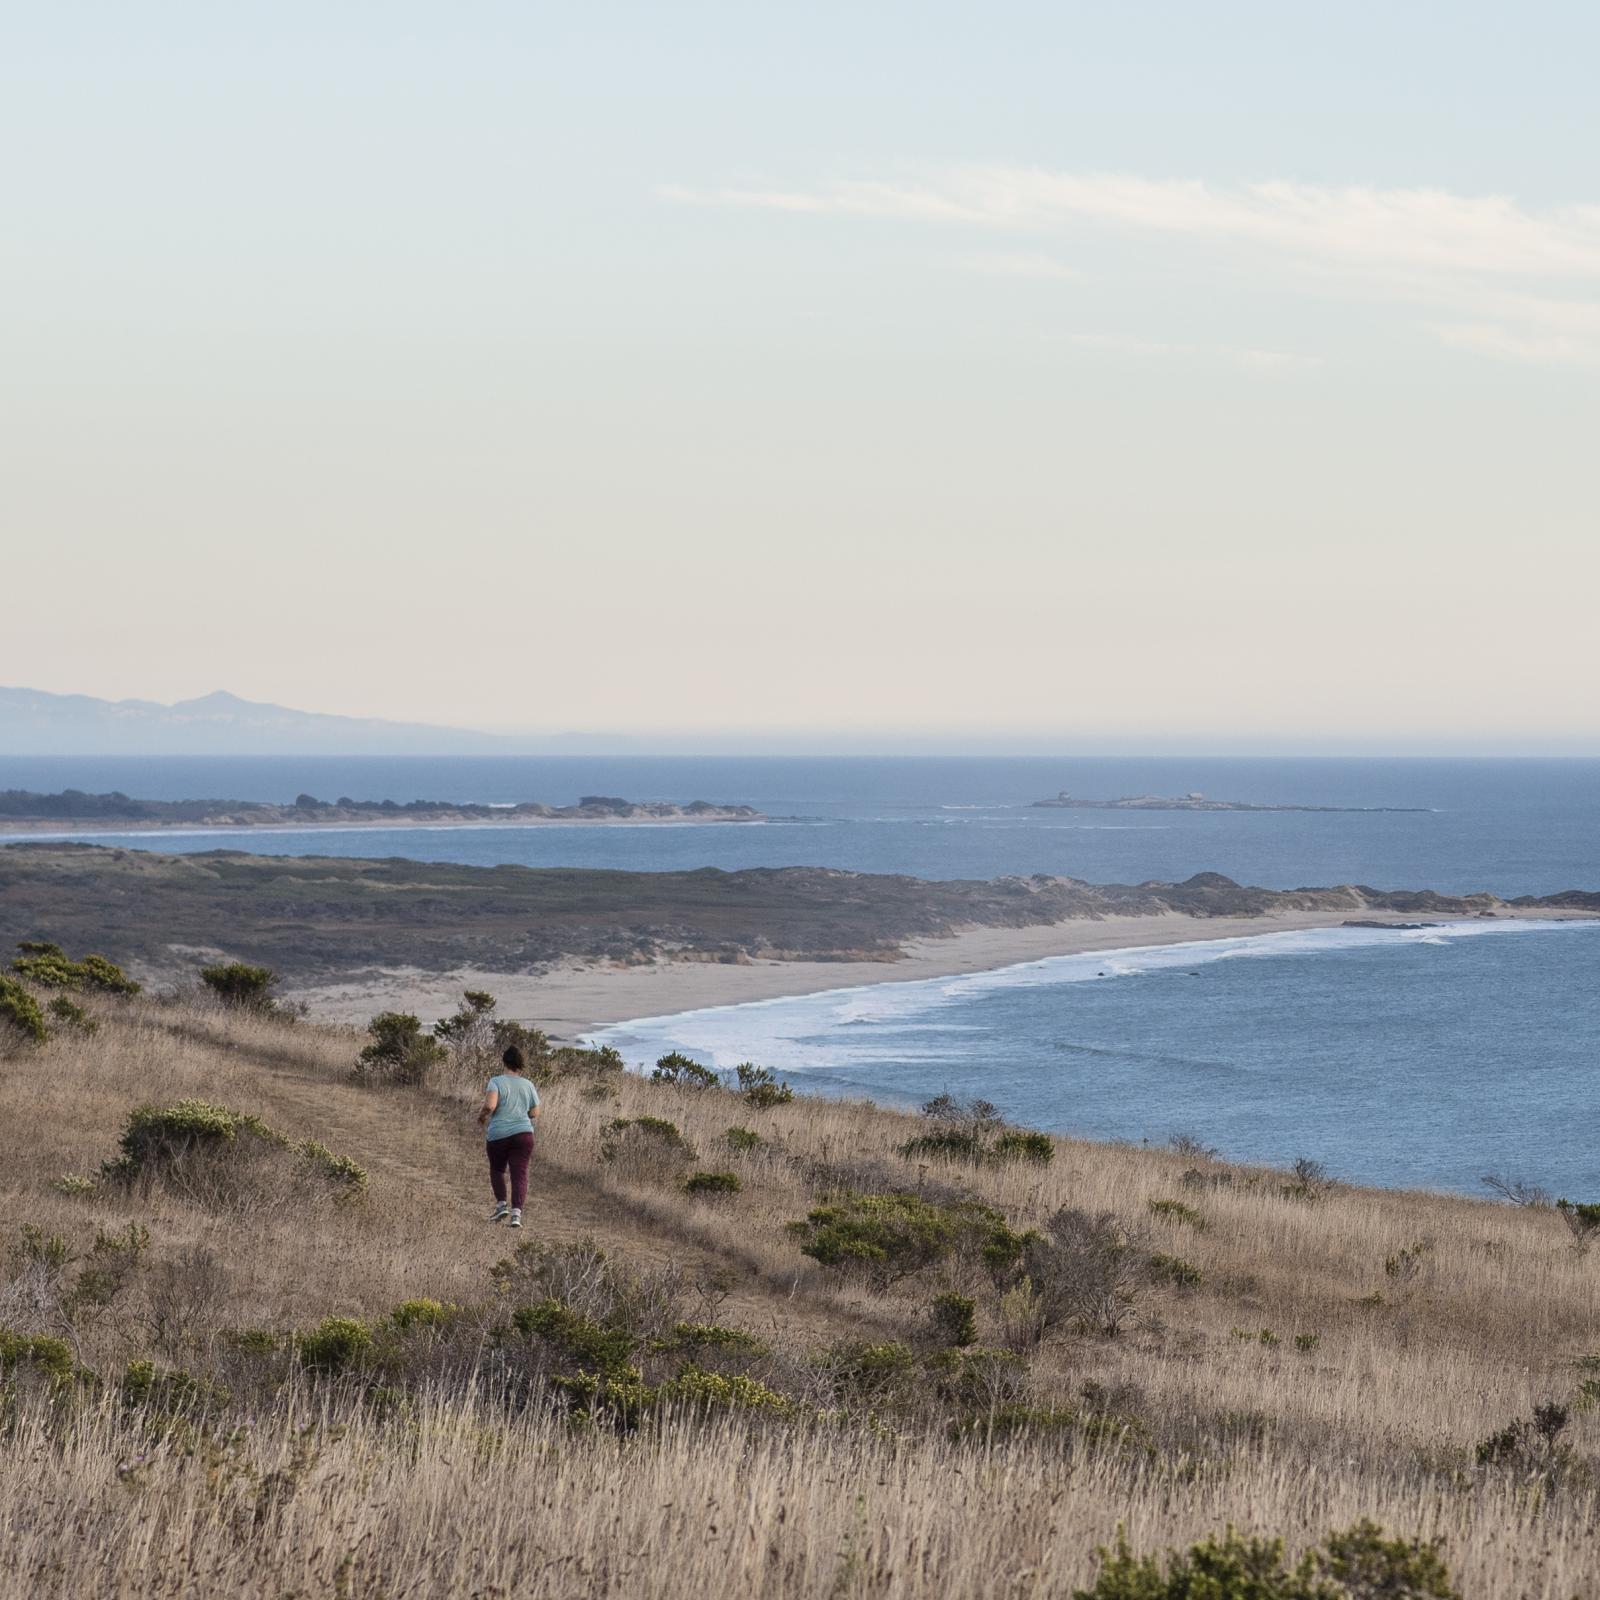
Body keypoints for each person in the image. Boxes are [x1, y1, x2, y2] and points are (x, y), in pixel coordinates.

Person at [478, 1044, 540, 1227]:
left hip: (499, 1134)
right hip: (524, 1134)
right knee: (519, 1173)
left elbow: (490, 1105)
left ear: (504, 1061)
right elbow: (535, 1112)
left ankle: (501, 1205)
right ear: (521, 1064)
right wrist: (522, 1116)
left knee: (497, 1169)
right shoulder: (528, 1085)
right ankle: (516, 1215)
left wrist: (481, 1118)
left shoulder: (496, 1082)